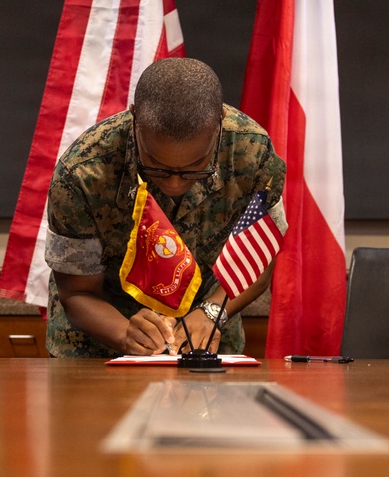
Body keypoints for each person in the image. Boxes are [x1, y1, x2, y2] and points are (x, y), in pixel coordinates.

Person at [44, 57, 286, 358]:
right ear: (135, 120)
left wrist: (212, 312)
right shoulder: (82, 172)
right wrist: (124, 334)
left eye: (194, 168)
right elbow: (76, 292)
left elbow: (258, 258)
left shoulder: (252, 154)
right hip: (100, 344)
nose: (173, 184)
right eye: (156, 167)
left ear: (219, 123)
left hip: (205, 337)